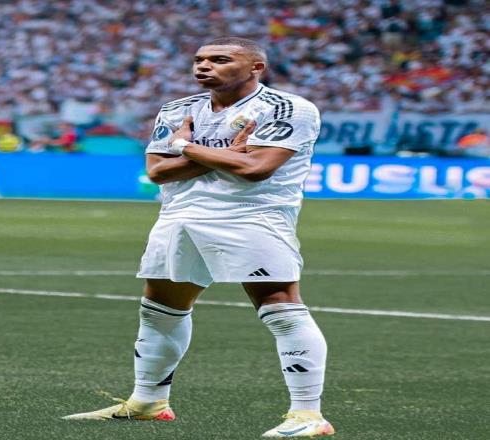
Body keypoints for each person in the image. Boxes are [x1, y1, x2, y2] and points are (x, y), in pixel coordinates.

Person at [63, 36, 334, 437]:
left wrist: (184, 146)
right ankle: (148, 402)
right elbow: (158, 171)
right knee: (158, 309)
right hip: (179, 214)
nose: (204, 66)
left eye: (220, 59)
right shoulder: (178, 109)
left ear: (256, 67)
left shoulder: (287, 107)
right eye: (199, 59)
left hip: (250, 215)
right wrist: (226, 154)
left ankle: (308, 415)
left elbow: (256, 169)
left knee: (279, 306)